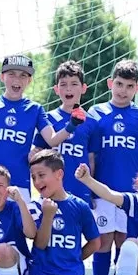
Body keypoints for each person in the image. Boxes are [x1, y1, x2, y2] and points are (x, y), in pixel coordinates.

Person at [0, 54, 85, 210]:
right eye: (12, 74)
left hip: (19, 185)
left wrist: (72, 125)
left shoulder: (35, 109)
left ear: (29, 80)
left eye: (23, 75)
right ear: (2, 77)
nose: (17, 79)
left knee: (19, 232)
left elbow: (52, 140)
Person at [86, 59, 138, 275]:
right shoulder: (96, 112)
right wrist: (89, 186)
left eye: (129, 86)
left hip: (131, 194)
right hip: (102, 190)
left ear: (137, 88)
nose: (123, 90)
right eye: (119, 84)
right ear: (110, 84)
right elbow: (90, 154)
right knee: (102, 241)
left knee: (124, 243)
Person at [28, 149, 101, 275]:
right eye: (33, 177)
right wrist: (47, 216)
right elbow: (40, 245)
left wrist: (74, 259)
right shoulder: (36, 206)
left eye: (41, 175)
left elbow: (95, 242)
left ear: (59, 174)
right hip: (43, 273)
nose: (37, 182)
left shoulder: (79, 206)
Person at [33, 60, 98, 203]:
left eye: (74, 84)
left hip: (81, 193)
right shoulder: (47, 118)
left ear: (83, 88)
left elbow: (91, 160)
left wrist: (91, 191)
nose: (69, 89)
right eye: (63, 84)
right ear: (56, 89)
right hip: (51, 194)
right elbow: (35, 154)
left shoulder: (92, 122)